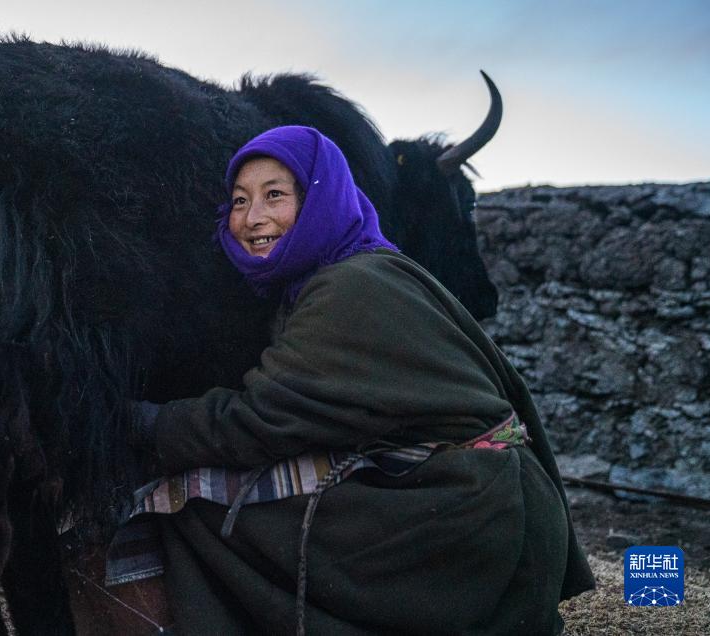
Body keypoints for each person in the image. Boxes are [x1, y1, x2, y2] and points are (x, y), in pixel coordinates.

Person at [119, 125, 594, 635]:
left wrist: (132, 422)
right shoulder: (360, 269)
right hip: (475, 500)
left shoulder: (348, 288)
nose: (252, 219)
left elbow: (259, 420)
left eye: (274, 195)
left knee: (190, 508)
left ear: (322, 197)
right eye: (239, 200)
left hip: (469, 522)